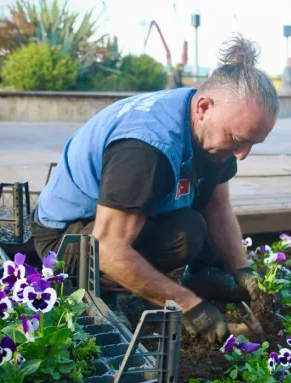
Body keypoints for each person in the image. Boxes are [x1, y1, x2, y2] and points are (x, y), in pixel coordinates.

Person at [31, 35, 278, 343]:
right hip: (66, 241)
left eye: (253, 143)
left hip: (110, 221)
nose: (243, 154)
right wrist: (190, 306)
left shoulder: (210, 124)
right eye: (238, 140)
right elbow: (106, 248)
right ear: (203, 107)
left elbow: (218, 207)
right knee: (182, 235)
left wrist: (241, 269)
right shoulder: (146, 150)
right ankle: (105, 295)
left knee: (193, 223)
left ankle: (202, 274)